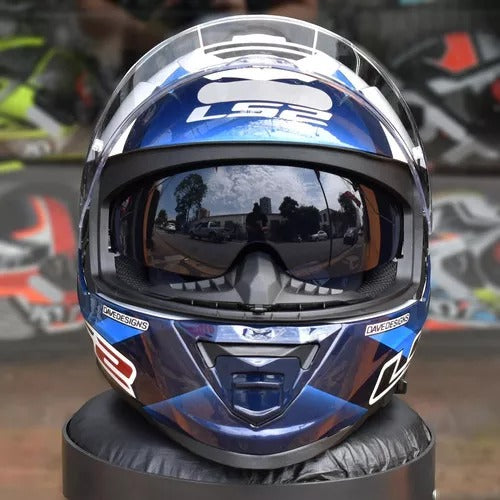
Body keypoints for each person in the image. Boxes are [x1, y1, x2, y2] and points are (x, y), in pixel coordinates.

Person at [77, 0, 318, 75]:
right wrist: (140, 31)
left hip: (260, 68)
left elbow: (306, 9)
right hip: (146, 73)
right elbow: (89, 11)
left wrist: (247, 23)